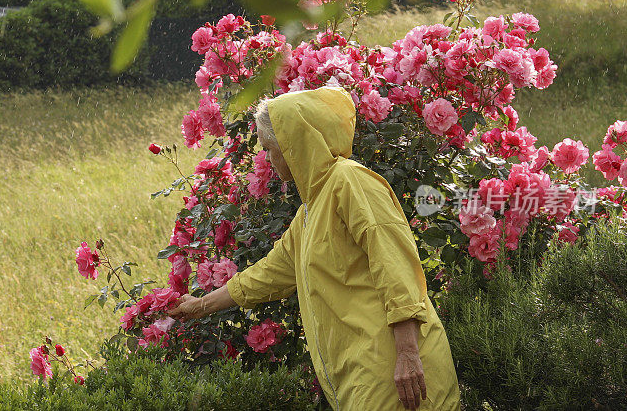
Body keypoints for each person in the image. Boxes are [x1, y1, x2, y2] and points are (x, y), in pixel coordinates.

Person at [168, 86, 460, 410]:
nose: (266, 157)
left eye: (268, 148)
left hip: (397, 367)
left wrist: (407, 351)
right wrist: (199, 306)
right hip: (369, 373)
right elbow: (267, 275)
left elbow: (394, 260)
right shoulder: (310, 211)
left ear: (292, 145)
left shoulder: (350, 181)